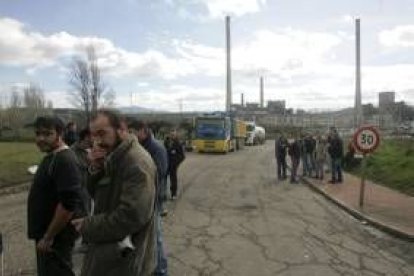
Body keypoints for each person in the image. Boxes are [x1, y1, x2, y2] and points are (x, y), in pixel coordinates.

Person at [71, 110, 157, 276]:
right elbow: (97, 195)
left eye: (102, 134)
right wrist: (96, 168)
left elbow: (132, 216)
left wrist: (89, 226)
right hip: (109, 249)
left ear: (122, 129)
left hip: (126, 257)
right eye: (94, 135)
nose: (97, 141)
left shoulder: (135, 162)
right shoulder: (115, 156)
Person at [27, 116, 83, 276]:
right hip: (49, 237)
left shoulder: (65, 160)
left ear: (60, 134)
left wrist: (48, 237)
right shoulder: (53, 156)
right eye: (37, 134)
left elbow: (67, 205)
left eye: (47, 134)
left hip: (56, 240)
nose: (40, 139)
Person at [128, 120, 169, 276]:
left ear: (143, 131)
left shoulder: (156, 148)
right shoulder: (138, 147)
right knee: (142, 238)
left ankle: (161, 271)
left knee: (156, 237)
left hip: (153, 200)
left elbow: (159, 173)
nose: (130, 135)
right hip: (140, 199)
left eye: (133, 132)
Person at [70, 128, 93, 216]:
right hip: (78, 192)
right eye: (94, 135)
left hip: (89, 191)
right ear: (87, 137)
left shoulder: (92, 149)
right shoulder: (72, 152)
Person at [164, 131, 185, 200]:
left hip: (173, 165)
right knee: (163, 179)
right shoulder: (166, 142)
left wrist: (176, 163)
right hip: (165, 164)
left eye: (173, 135)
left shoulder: (178, 144)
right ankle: (163, 194)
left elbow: (182, 156)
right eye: (171, 134)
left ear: (176, 136)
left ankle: (173, 194)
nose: (172, 136)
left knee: (173, 180)